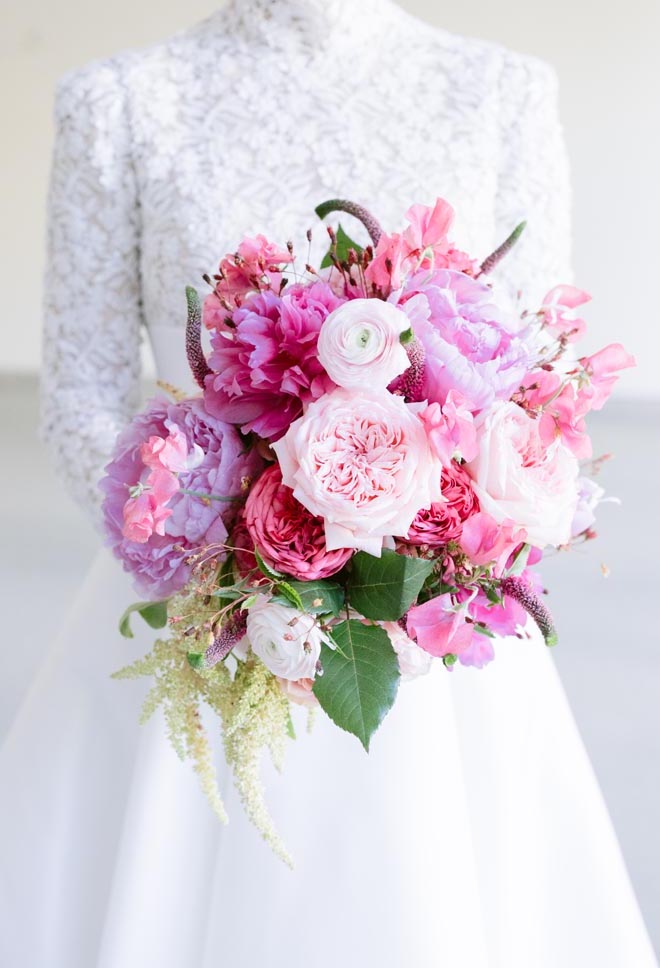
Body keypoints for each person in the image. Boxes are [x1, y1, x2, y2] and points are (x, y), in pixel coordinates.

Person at [2, 1, 657, 965]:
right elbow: (83, 401)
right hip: (209, 605)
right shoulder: (121, 103)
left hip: (433, 618)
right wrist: (236, 557)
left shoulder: (503, 92)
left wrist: (426, 537)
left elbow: (536, 385)